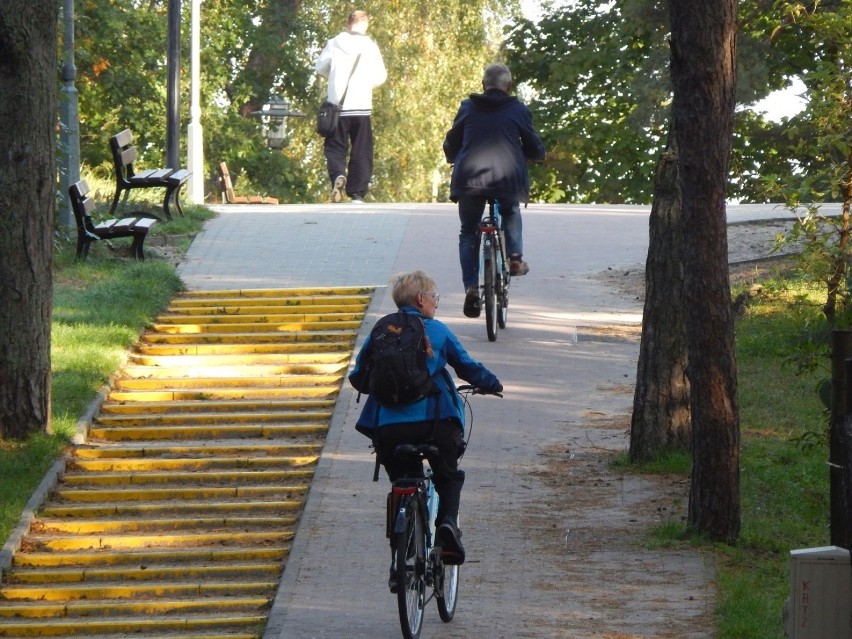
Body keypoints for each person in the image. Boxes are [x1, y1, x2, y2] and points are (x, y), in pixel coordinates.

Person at [349, 270, 502, 570]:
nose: (436, 303)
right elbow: (467, 367)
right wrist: (492, 383)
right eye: (434, 298)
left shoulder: (380, 331)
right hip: (435, 424)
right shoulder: (437, 331)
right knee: (448, 476)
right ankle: (446, 527)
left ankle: (398, 556)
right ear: (421, 299)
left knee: (401, 482)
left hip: (387, 429)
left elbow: (358, 377)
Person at [443, 62, 546, 318]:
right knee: (510, 210)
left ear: (483, 84)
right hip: (507, 180)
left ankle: (470, 288)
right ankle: (514, 258)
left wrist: (452, 156)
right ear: (508, 86)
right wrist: (536, 154)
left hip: (469, 179)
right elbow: (533, 145)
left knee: (468, 232)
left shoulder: (467, 107)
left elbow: (452, 140)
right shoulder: (518, 109)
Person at [315, 10, 387, 204]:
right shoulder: (370, 46)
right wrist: (364, 84)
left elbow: (320, 67)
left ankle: (338, 174)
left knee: (335, 147)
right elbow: (381, 76)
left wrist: (334, 79)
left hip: (337, 105)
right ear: (365, 25)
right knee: (362, 150)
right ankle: (356, 193)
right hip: (362, 105)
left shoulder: (334, 43)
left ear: (348, 24)